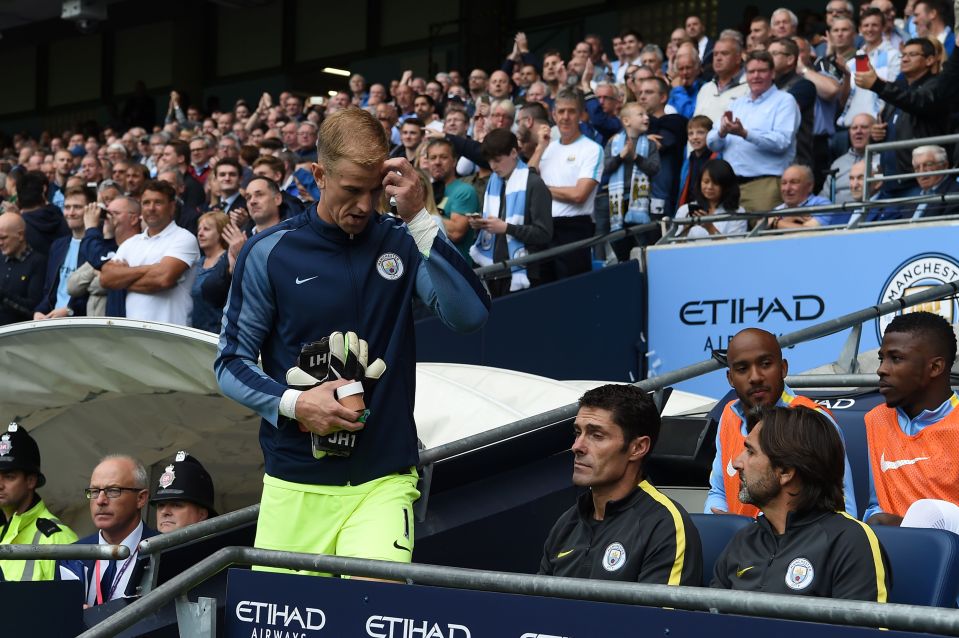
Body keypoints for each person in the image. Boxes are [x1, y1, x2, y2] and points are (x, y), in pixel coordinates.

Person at [215, 107, 489, 574]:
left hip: (385, 479)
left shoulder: (401, 240)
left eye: (374, 190)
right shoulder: (269, 252)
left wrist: (422, 218)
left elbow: (469, 316)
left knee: (372, 614)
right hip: (294, 484)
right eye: (351, 190)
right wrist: (296, 404)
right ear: (319, 175)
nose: (365, 205)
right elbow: (231, 364)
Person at [711, 406, 890, 601]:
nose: (736, 462)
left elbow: (861, 631)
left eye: (750, 452)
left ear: (786, 472)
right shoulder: (743, 541)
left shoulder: (850, 542)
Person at [539, 384, 703, 584]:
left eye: (596, 435)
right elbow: (538, 609)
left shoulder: (664, 525)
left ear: (638, 448)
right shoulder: (567, 523)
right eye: (577, 433)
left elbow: (659, 616)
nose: (577, 446)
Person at [705, 328, 858, 517]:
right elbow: (718, 492)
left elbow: (843, 509)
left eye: (765, 364)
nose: (755, 377)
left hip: (796, 545)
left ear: (783, 368)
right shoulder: (728, 415)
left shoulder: (810, 421)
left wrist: (748, 532)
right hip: (739, 543)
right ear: (730, 378)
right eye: (743, 369)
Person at [864, 312, 959, 527]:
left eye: (896, 359)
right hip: (892, 555)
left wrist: (905, 528)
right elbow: (875, 505)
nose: (881, 369)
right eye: (882, 358)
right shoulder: (876, 419)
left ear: (935, 368)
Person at [57, 455, 158, 606]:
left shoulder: (165, 552)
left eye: (112, 491)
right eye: (95, 491)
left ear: (141, 498)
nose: (100, 500)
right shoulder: (70, 556)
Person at [706, 51, 799, 213]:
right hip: (731, 188)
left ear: (772, 73)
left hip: (765, 185)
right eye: (751, 72)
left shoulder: (784, 101)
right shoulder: (737, 104)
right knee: (731, 237)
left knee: (763, 234)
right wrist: (721, 132)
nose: (756, 76)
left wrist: (745, 134)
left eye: (762, 71)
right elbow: (711, 143)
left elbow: (782, 142)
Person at [99, 180, 200, 326]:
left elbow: (162, 279)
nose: (151, 208)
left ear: (172, 207)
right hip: (134, 337)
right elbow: (106, 279)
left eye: (158, 202)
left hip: (173, 336)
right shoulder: (131, 242)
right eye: (146, 203)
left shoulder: (184, 238)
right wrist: (152, 268)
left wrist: (123, 279)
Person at [529, 88, 603, 282]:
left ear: (581, 114)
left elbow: (579, 195)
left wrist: (543, 190)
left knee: (572, 291)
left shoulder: (592, 149)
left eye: (571, 111)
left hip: (574, 228)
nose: (566, 117)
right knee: (541, 291)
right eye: (561, 111)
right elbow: (527, 182)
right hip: (542, 227)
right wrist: (540, 147)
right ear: (553, 115)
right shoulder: (547, 148)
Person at [468, 129, 552, 296]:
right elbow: (496, 229)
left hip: (525, 272)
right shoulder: (493, 183)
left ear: (514, 153)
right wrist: (480, 225)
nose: (493, 166)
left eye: (498, 160)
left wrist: (507, 228)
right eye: (490, 161)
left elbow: (544, 233)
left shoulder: (534, 184)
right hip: (494, 272)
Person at [0, 422, 78, 582]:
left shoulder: (57, 538)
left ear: (31, 481)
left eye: (9, 476)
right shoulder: (3, 532)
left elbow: (70, 605)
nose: (0, 485)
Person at [603, 102, 660, 257]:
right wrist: (621, 156)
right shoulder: (613, 143)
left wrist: (635, 156)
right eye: (640, 115)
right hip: (618, 201)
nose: (646, 117)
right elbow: (606, 168)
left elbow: (654, 169)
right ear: (626, 121)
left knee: (643, 245)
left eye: (646, 115)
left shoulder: (649, 144)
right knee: (620, 244)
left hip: (641, 202)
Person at [33, 186, 90, 319]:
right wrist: (40, 311)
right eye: (67, 207)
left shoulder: (96, 247)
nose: (71, 212)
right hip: (53, 319)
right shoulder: (58, 245)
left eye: (77, 207)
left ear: (90, 210)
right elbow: (50, 290)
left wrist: (70, 310)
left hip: (81, 324)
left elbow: (93, 294)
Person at [427, 138, 478, 262]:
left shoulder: (464, 190)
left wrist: (420, 210)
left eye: (443, 157)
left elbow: (456, 233)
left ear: (454, 161)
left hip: (457, 269)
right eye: (433, 158)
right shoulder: (427, 190)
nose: (437, 162)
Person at [674, 159, 747, 239]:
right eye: (706, 182)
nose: (709, 187)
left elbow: (735, 247)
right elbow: (673, 247)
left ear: (726, 185)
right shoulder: (685, 210)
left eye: (715, 183)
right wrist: (685, 229)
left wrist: (710, 228)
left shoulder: (738, 212)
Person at [151, 451, 217, 533]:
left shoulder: (223, 546)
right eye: (161, 505)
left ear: (201, 515)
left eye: (176, 505)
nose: (164, 512)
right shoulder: (140, 545)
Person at [0, 212, 46, 326]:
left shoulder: (38, 263)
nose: (0, 243)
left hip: (20, 334)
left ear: (20, 235)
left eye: (4, 238)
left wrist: (3, 296)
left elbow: (34, 310)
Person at [693, 36, 748, 126]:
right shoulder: (705, 89)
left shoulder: (749, 87)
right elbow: (695, 124)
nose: (718, 58)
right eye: (715, 54)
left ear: (738, 58)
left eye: (724, 53)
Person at [191, 211, 228, 333]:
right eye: (199, 229)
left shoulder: (228, 261)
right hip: (196, 335)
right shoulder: (199, 262)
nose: (200, 234)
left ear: (221, 233)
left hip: (217, 337)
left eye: (206, 229)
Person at [770, 164, 834, 228]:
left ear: (809, 186)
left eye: (794, 182)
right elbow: (764, 232)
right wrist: (790, 218)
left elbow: (807, 232)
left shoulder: (821, 204)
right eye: (784, 183)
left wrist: (775, 223)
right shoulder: (777, 210)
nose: (787, 189)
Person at [677, 115, 718, 207]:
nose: (694, 137)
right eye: (691, 133)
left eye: (700, 133)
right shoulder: (688, 161)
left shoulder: (716, 158)